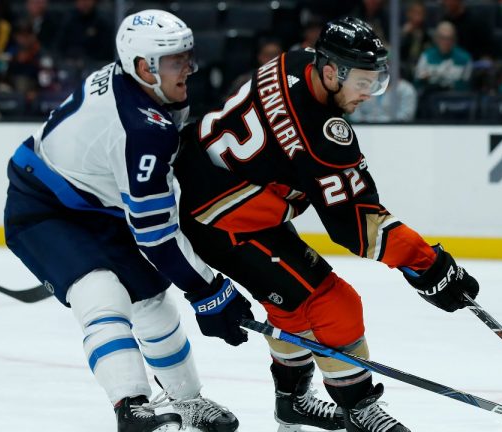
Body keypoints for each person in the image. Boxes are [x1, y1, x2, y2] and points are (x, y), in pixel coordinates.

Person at [173, 16, 479, 432]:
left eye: (376, 82)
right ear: (332, 72)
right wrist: (428, 264)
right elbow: (356, 226)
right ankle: (359, 408)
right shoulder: (321, 135)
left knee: (291, 304)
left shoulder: (296, 62)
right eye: (364, 84)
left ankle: (292, 402)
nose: (369, 95)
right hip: (224, 220)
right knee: (333, 303)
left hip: (212, 186)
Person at [3, 10, 252, 432]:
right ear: (144, 67)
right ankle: (132, 407)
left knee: (154, 303)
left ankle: (187, 401)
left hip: (95, 207)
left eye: (187, 57)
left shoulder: (144, 90)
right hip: (42, 208)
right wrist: (208, 290)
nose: (189, 69)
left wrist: (203, 290)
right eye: (177, 61)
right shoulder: (140, 126)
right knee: (101, 294)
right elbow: (155, 236)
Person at [414, 21, 473, 95]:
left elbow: (466, 85)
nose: (446, 42)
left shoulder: (464, 58)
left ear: (454, 39)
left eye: (449, 38)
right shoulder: (426, 56)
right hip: (430, 97)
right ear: (436, 38)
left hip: (455, 98)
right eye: (442, 38)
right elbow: (417, 82)